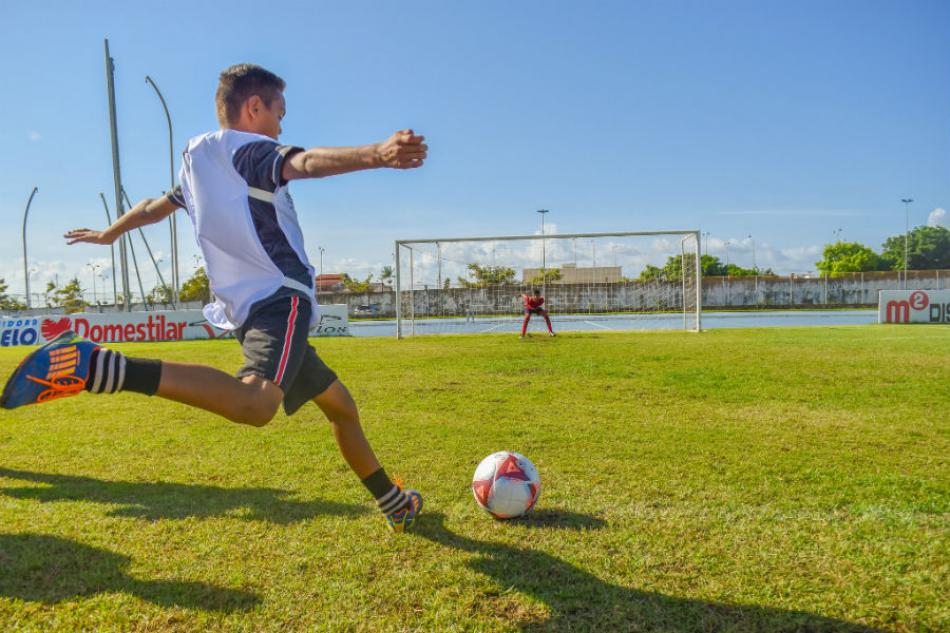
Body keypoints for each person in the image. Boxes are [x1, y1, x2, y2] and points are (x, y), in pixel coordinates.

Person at [1, 64, 427, 533]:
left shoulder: (200, 160)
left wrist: (109, 233)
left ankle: (394, 503)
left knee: (341, 406)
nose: (281, 127)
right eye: (278, 113)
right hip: (279, 297)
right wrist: (378, 153)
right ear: (253, 107)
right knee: (256, 404)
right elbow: (304, 163)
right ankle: (101, 367)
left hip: (250, 309)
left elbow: (152, 208)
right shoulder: (248, 151)